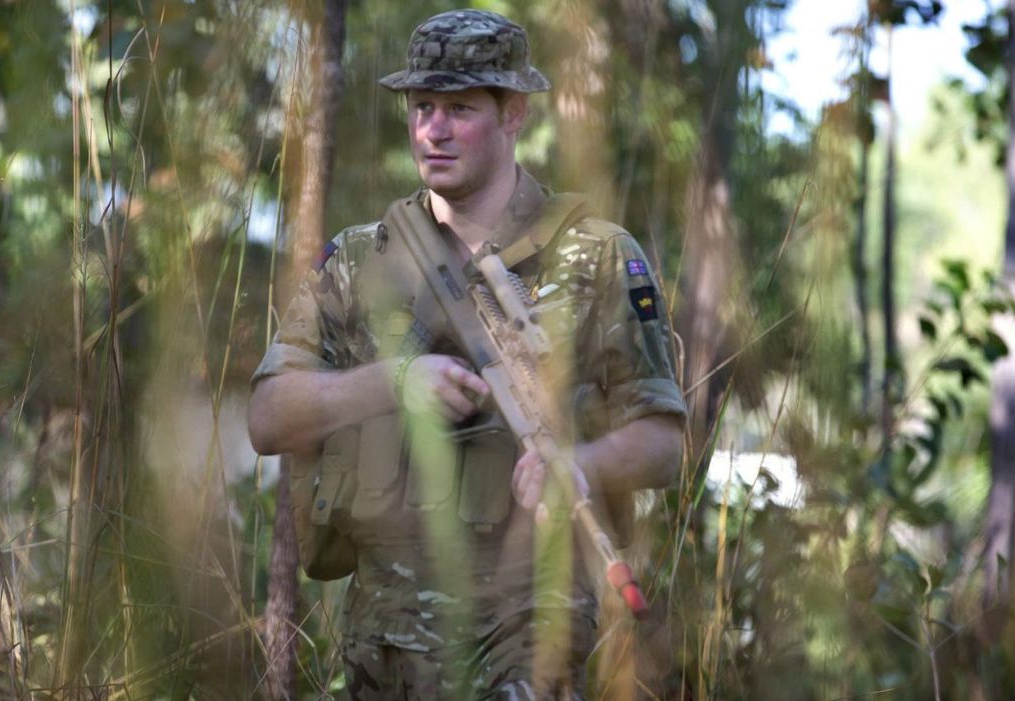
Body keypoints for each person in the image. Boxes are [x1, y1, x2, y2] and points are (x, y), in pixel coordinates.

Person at [248, 9, 686, 699]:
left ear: (513, 113)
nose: (434, 129)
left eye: (459, 107)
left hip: (537, 633)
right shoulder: (360, 259)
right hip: (386, 651)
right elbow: (268, 416)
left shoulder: (595, 254)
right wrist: (394, 382)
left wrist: (579, 465)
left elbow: (663, 443)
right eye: (421, 106)